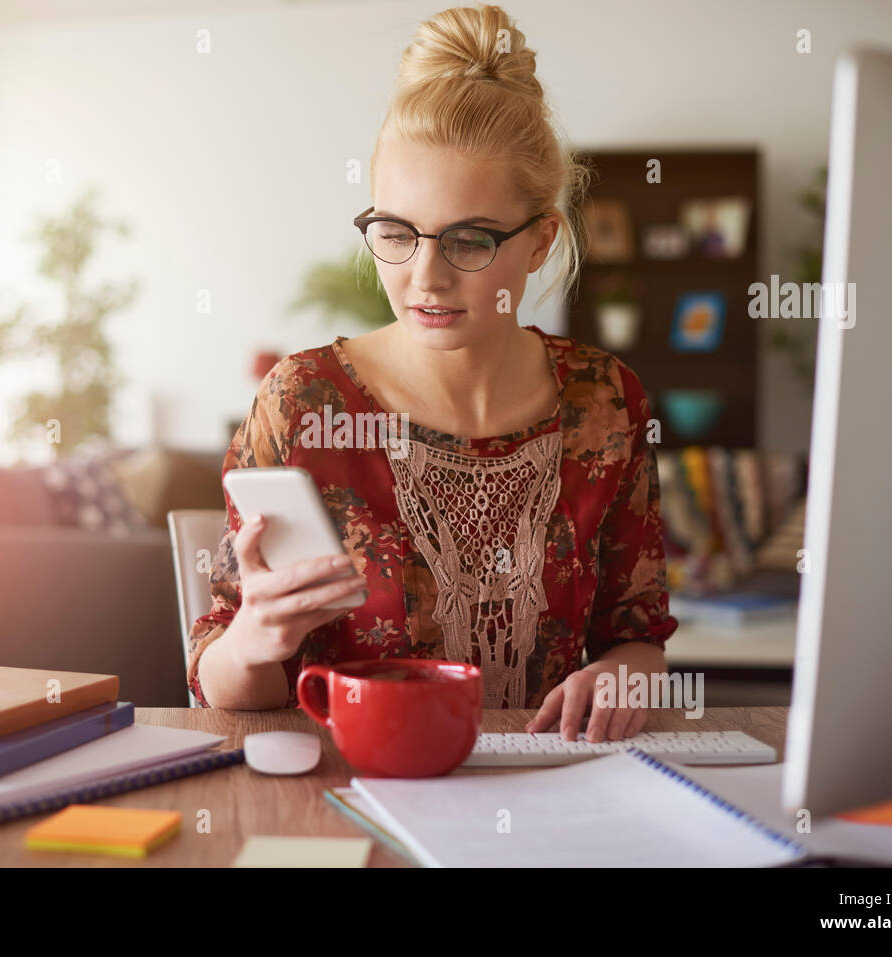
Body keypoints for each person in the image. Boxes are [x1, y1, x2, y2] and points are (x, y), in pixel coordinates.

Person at [187, 3, 677, 743]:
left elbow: (638, 637)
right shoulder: (302, 404)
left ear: (541, 238)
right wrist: (256, 637)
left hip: (548, 796)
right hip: (351, 798)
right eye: (395, 233)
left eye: (469, 240)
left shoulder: (606, 401)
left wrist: (621, 673)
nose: (425, 277)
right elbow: (220, 683)